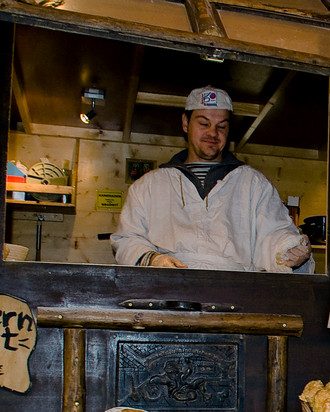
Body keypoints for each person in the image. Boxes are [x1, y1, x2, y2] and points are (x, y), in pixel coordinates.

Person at [112, 86, 314, 273]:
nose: (212, 133)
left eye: (221, 126)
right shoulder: (149, 186)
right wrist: (153, 259)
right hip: (166, 290)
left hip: (235, 293)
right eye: (203, 123)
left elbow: (274, 234)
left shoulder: (253, 184)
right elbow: (127, 238)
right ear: (185, 123)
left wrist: (289, 249)